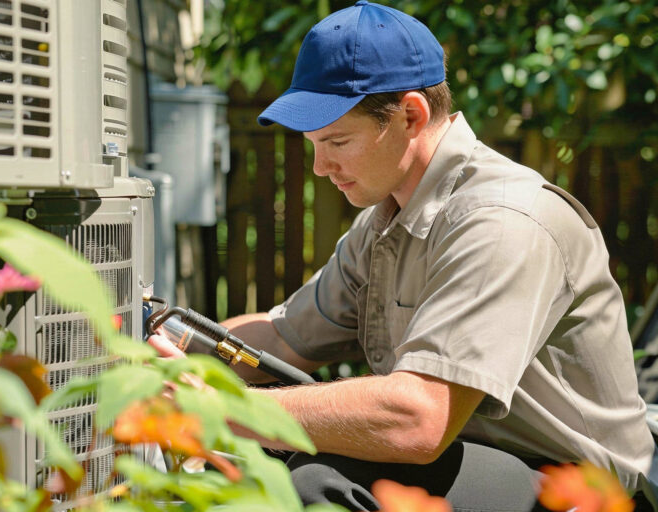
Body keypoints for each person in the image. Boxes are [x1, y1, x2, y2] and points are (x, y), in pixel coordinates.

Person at [149, 1, 656, 510]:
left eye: (337, 141)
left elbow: (418, 419)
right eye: (313, 145)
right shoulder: (387, 221)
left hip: (577, 488)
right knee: (276, 457)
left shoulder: (502, 221)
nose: (321, 166)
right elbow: (283, 336)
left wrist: (220, 408)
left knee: (319, 480)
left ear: (410, 115)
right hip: (481, 460)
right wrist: (161, 343)